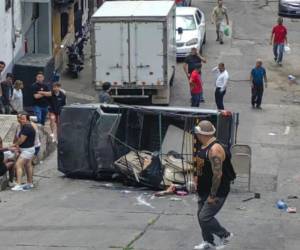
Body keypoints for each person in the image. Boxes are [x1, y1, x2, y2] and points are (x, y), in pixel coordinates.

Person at [193, 120, 235, 250]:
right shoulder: (204, 146)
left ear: (203, 134)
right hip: (203, 189)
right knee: (200, 217)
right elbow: (202, 166)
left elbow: (218, 175)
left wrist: (213, 195)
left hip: (216, 191)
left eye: (198, 133)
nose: (196, 135)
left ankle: (225, 235)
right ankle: (208, 242)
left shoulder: (215, 149)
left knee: (205, 217)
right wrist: (196, 180)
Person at [10, 112, 36, 191]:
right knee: (28, 166)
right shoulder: (26, 126)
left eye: (23, 119)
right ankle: (30, 183)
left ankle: (18, 184)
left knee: (18, 165)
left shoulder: (27, 127)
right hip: (28, 149)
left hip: (27, 150)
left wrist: (14, 145)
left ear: (27, 119)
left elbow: (21, 140)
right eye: (20, 118)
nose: (21, 120)